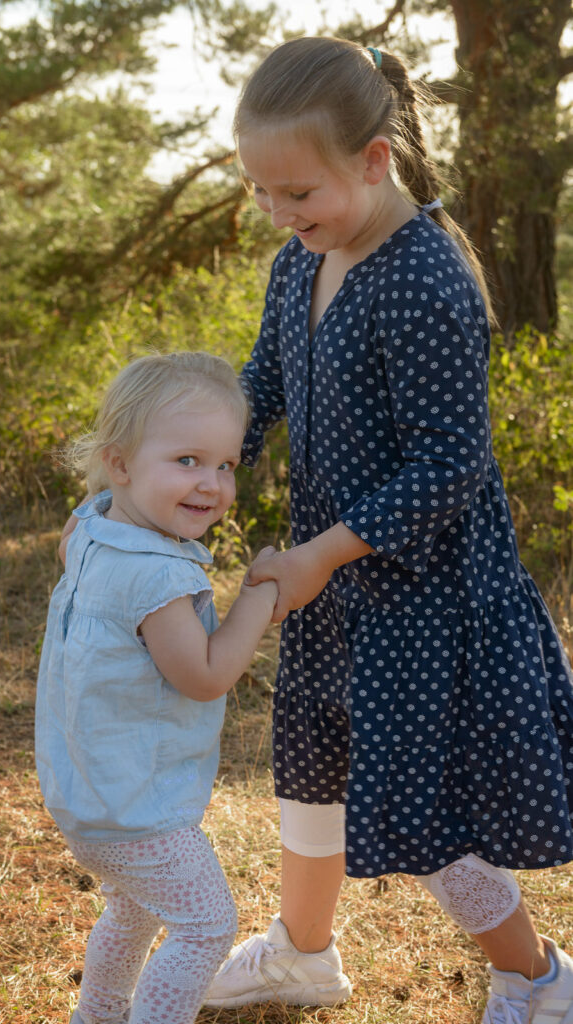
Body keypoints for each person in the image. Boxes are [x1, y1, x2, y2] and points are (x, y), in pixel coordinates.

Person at [203, 37, 573, 1024]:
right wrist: (194, 463)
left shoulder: (422, 281)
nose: (282, 216)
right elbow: (264, 383)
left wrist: (322, 553)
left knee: (423, 812)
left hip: (423, 597)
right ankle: (303, 954)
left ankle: (537, 978)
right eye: (265, 195)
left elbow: (449, 468)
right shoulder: (301, 261)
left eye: (298, 193)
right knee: (314, 771)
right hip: (333, 581)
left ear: (374, 159)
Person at [35, 351, 278, 1024]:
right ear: (120, 463)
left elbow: (71, 558)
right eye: (187, 461)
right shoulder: (161, 580)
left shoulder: (89, 524)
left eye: (225, 465)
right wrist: (258, 597)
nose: (211, 484)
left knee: (135, 908)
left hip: (86, 792)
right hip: (140, 812)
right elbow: (203, 677)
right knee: (205, 926)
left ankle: (100, 1013)